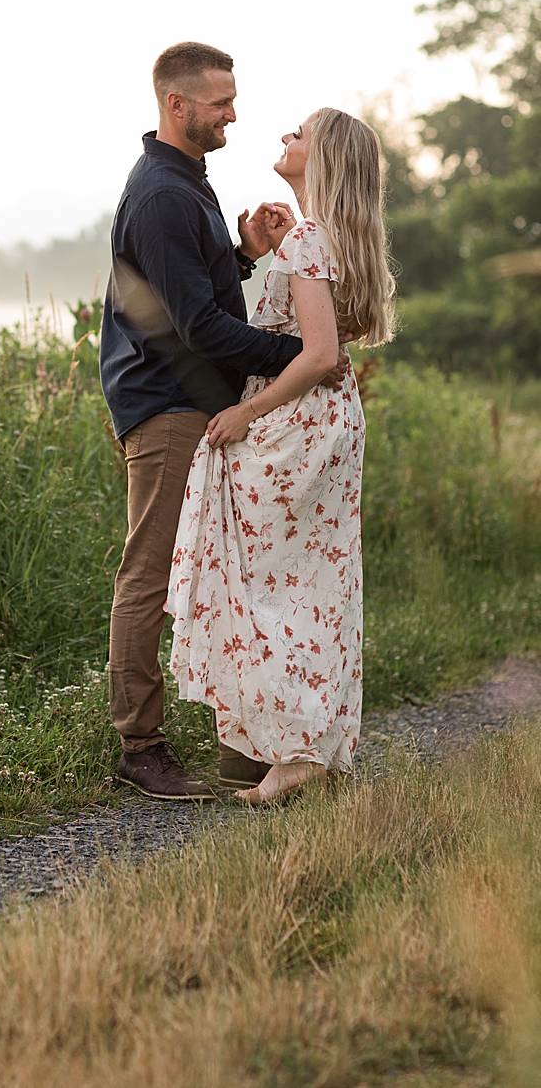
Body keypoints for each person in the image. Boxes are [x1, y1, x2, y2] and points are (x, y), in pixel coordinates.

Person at [100, 42, 347, 802]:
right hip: (168, 406)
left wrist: (239, 252)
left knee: (202, 574)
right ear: (177, 105)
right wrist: (304, 354)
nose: (234, 114)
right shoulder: (165, 194)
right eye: (220, 103)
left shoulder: (185, 182)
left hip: (191, 403)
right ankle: (139, 748)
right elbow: (203, 330)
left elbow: (188, 294)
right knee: (148, 573)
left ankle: (241, 741)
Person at [167, 108, 394, 805]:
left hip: (292, 425)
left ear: (321, 158)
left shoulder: (307, 239)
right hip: (327, 423)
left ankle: (293, 753)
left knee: (270, 589)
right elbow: (328, 344)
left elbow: (319, 353)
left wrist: (245, 411)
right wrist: (252, 255)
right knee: (313, 590)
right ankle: (303, 748)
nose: (285, 140)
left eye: (298, 135)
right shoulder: (334, 240)